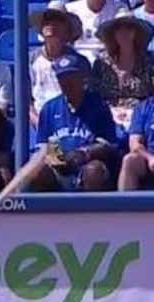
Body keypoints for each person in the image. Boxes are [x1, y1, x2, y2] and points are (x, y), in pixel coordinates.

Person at [32, 51, 119, 191]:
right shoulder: (50, 108)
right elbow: (43, 145)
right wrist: (57, 159)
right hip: (59, 169)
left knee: (94, 171)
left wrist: (84, 153)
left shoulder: (98, 106)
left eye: (72, 77)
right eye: (63, 78)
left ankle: (93, 212)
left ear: (81, 77)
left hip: (87, 165)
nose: (68, 83)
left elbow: (108, 144)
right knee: (37, 172)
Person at [92, 8, 154, 131]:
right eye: (119, 28)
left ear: (136, 33)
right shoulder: (102, 62)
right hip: (108, 117)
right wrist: (112, 111)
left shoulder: (148, 61)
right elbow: (94, 96)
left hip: (142, 119)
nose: (124, 32)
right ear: (113, 34)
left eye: (129, 28)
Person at [29, 1, 85, 127]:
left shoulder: (79, 62)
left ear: (66, 28)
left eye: (57, 20)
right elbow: (26, 102)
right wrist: (40, 125)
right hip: (40, 124)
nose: (51, 24)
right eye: (47, 20)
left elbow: (85, 100)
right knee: (52, 146)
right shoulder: (30, 60)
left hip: (71, 125)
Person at [117, 93, 154, 189]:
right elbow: (134, 143)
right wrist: (150, 158)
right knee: (129, 160)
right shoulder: (143, 108)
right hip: (149, 161)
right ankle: (125, 203)